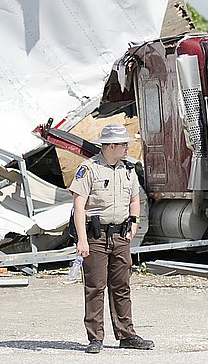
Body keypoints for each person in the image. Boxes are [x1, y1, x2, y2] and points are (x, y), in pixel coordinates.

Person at [69, 123, 154, 354]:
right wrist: (82, 239)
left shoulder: (128, 170)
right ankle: (95, 337)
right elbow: (78, 205)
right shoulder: (89, 169)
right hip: (95, 236)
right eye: (124, 144)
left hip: (120, 236)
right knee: (95, 287)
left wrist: (134, 223)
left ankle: (126, 334)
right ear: (111, 145)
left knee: (122, 286)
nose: (128, 147)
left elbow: (135, 200)